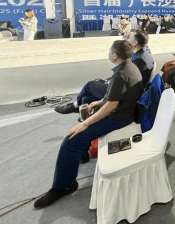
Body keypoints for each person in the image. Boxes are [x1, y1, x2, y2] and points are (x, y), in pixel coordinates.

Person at [34, 40, 144, 208]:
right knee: (86, 106)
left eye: (110, 50)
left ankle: (63, 187)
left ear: (115, 55)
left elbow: (111, 105)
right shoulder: (131, 67)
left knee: (70, 140)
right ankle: (80, 156)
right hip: (124, 113)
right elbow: (116, 97)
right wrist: (99, 102)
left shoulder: (120, 75)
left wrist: (85, 124)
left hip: (117, 119)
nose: (108, 53)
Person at [55, 32, 153, 114]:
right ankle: (80, 108)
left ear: (135, 43)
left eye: (130, 38)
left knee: (89, 85)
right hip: (128, 88)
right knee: (86, 99)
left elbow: (128, 78)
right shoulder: (144, 52)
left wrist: (111, 82)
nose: (127, 39)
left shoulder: (139, 59)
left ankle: (74, 106)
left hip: (126, 93)